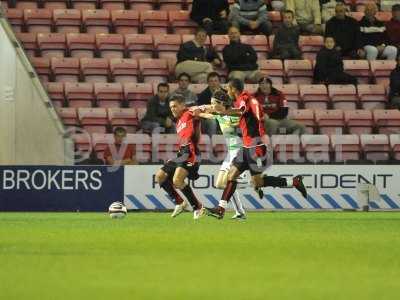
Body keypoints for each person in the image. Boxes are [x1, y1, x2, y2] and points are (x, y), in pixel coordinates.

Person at [204, 79, 308, 219]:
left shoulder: (244, 98)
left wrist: (223, 112)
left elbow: (240, 112)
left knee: (257, 182)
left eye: (228, 88)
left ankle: (294, 182)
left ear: (233, 89)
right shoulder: (244, 99)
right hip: (246, 147)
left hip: (256, 147)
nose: (227, 91)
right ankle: (220, 209)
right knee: (231, 176)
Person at [154, 95, 205, 219]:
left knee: (177, 181)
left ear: (183, 105)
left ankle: (198, 207)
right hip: (181, 153)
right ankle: (179, 202)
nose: (173, 109)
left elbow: (203, 109)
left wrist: (212, 110)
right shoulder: (178, 122)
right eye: (171, 107)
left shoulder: (189, 112)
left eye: (175, 106)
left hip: (191, 152)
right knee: (159, 177)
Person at [197, 72, 222, 136]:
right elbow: (201, 111)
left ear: (219, 82)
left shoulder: (226, 93)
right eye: (211, 81)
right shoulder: (203, 95)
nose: (214, 83)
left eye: (216, 81)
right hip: (207, 119)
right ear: (208, 83)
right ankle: (212, 143)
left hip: (222, 116)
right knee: (212, 121)